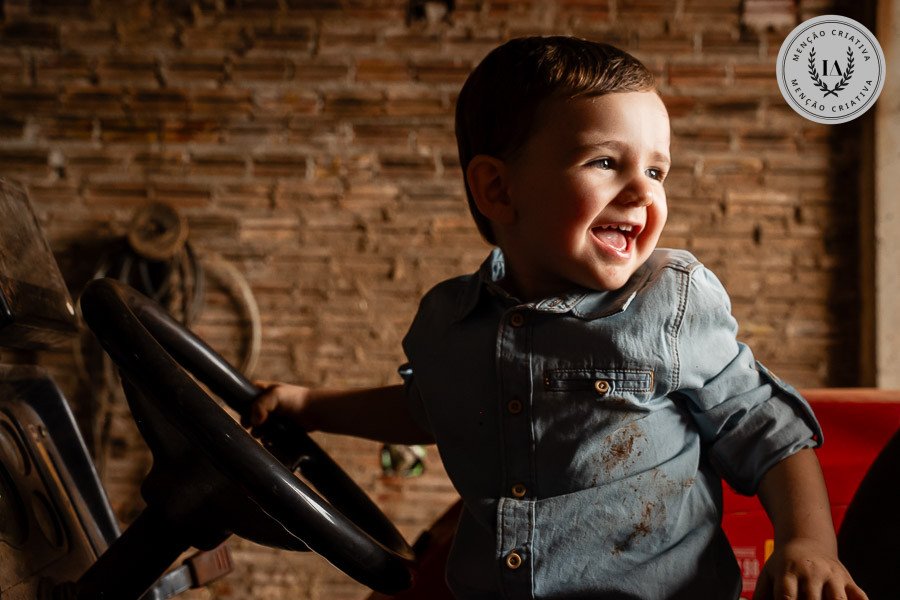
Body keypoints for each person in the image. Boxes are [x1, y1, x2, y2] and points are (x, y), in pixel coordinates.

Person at [247, 36, 866, 600]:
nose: (644, 192)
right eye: (605, 163)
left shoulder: (669, 305)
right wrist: (312, 406)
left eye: (656, 171)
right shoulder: (449, 320)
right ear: (498, 189)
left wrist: (808, 544)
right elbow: (429, 409)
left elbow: (768, 431)